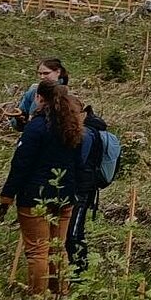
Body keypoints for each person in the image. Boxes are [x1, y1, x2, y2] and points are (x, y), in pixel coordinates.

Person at [0, 79, 84, 297]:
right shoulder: (71, 125)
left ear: (39, 98)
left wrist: (7, 197)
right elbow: (77, 163)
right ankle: (60, 295)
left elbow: (21, 164)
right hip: (65, 196)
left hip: (35, 197)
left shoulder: (36, 126)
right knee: (57, 249)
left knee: (38, 251)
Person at [64, 101, 111, 273]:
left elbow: (79, 161)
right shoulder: (90, 131)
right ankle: (77, 270)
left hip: (82, 188)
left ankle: (78, 272)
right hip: (84, 186)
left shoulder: (86, 134)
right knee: (76, 228)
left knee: (73, 231)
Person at [13, 58, 70, 131]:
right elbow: (17, 122)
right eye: (40, 73)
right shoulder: (33, 92)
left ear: (58, 72)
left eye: (46, 73)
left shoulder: (67, 94)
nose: (42, 77)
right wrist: (19, 120)